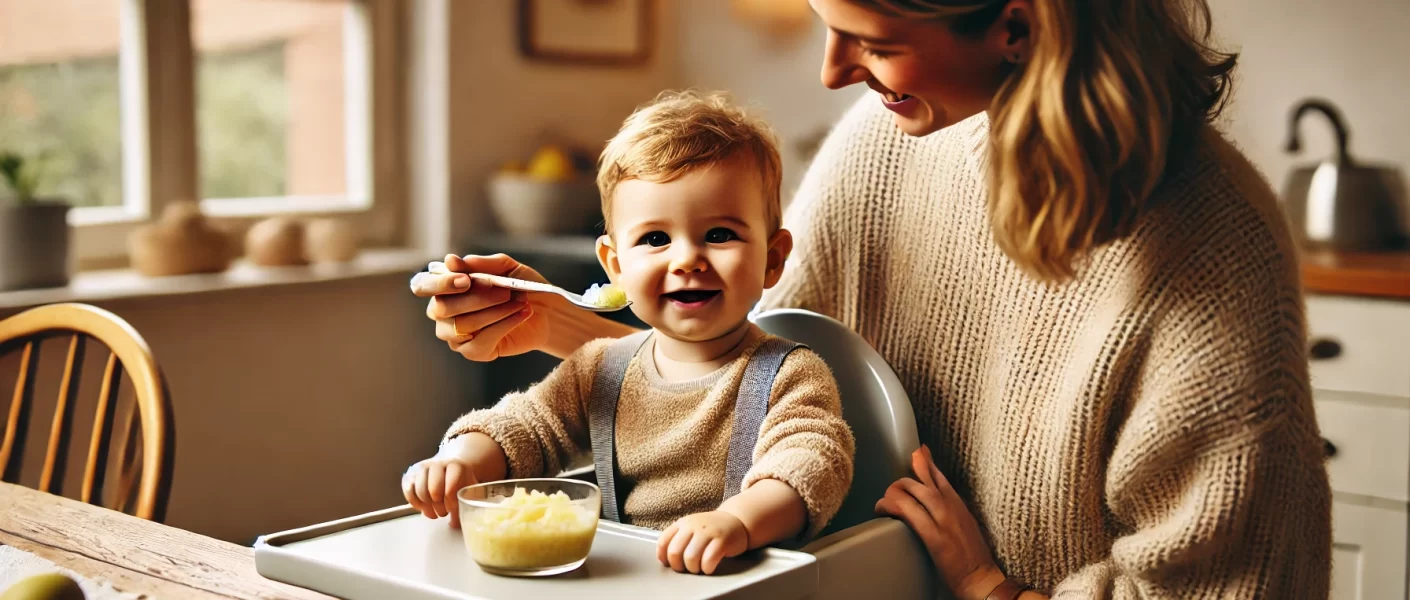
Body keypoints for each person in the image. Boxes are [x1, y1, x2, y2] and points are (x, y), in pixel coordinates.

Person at [410, 0, 1332, 598]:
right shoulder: (882, 144)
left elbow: (1219, 584)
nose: (832, 70)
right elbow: (757, 369)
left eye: (875, 41)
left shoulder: (1211, 254)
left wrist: (990, 590)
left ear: (1016, 26)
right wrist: (566, 329)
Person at [401, 90, 855, 577]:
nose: (686, 260)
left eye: (720, 234)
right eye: (655, 239)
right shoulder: (601, 367)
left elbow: (810, 463)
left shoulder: (792, 375)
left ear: (772, 258)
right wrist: (461, 463)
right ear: (615, 268)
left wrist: (737, 521)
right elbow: (526, 426)